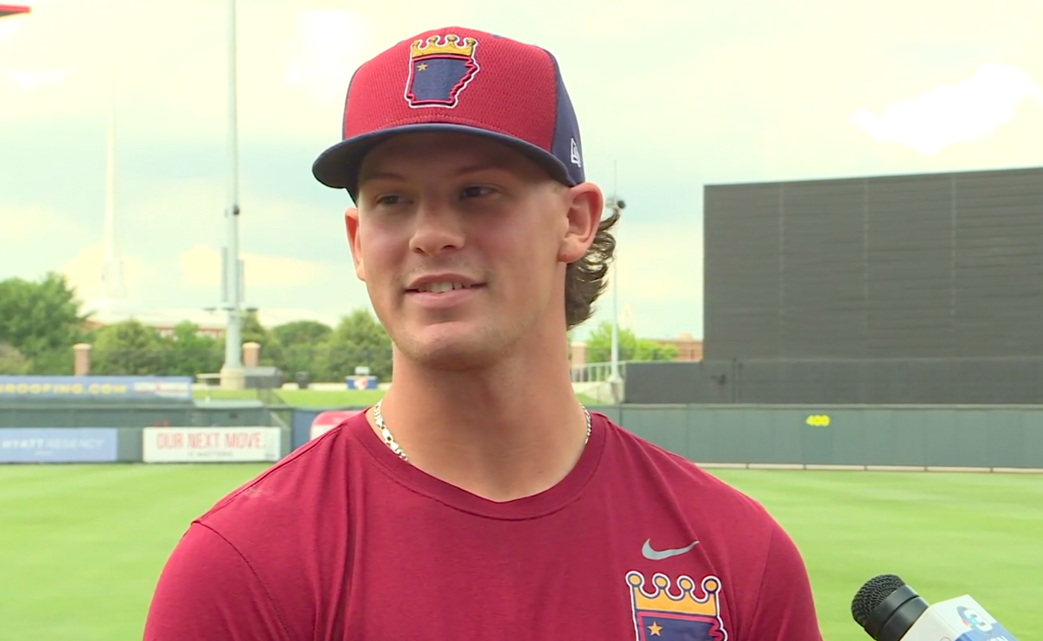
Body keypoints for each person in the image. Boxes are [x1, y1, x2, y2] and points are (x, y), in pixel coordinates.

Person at [143, 26, 825, 641]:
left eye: (478, 191)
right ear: (357, 240)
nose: (431, 234)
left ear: (576, 221)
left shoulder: (735, 550)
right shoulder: (242, 562)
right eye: (392, 199)